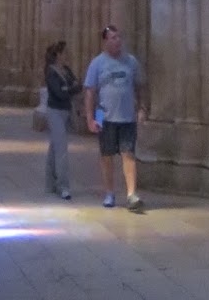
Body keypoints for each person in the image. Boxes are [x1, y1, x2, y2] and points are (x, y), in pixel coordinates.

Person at [83, 24, 147, 211]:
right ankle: (109, 192)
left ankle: (131, 194)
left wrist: (142, 108)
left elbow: (140, 85)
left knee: (129, 154)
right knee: (107, 155)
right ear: (105, 41)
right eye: (113, 38)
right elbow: (90, 92)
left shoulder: (131, 62)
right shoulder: (97, 63)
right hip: (103, 114)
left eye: (119, 37)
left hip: (127, 115)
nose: (118, 41)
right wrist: (90, 118)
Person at [43, 40, 79, 199]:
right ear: (58, 55)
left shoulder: (65, 70)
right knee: (61, 148)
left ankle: (50, 183)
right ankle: (63, 186)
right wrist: (70, 89)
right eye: (64, 53)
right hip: (55, 111)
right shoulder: (51, 72)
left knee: (54, 148)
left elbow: (74, 85)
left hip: (65, 111)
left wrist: (69, 89)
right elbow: (60, 93)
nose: (67, 56)